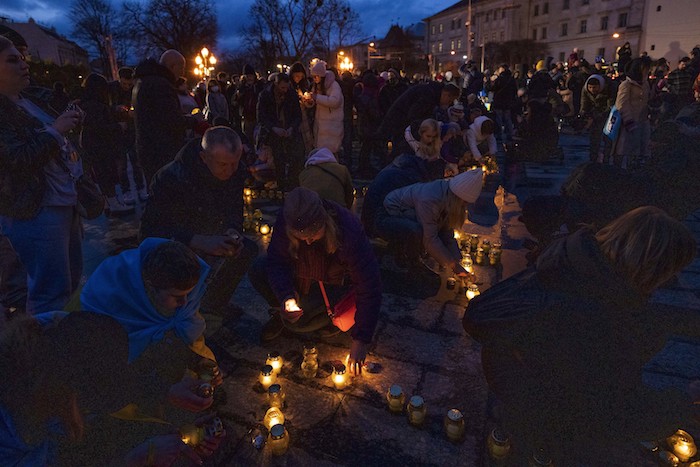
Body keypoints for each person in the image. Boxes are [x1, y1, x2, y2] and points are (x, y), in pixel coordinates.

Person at [465, 206, 700, 463]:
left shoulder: (568, 257)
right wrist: (684, 402)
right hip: (532, 394)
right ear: (654, 269)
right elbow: (618, 413)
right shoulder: (603, 319)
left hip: (504, 363)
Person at [249, 187, 382, 375]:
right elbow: (277, 262)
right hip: (302, 278)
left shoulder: (348, 230)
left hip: (333, 285)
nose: (308, 242)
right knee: (258, 268)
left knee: (298, 325)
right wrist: (286, 297)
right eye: (301, 238)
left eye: (312, 236)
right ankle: (284, 314)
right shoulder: (286, 219)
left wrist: (361, 340)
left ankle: (326, 320)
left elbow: (369, 285)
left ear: (325, 223)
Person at [81, 239, 220, 415]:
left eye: (188, 294)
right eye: (176, 296)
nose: (184, 303)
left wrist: (199, 361)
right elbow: (107, 378)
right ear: (148, 286)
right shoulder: (116, 309)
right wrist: (164, 392)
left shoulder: (180, 300)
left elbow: (180, 336)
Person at [0, 36, 85, 314]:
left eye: (22, 58)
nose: (23, 65)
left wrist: (70, 121)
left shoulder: (30, 100)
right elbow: (16, 159)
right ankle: (49, 351)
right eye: (12, 60)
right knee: (50, 292)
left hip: (63, 202)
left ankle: (67, 341)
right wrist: (55, 130)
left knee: (70, 282)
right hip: (36, 210)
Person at [140, 126, 256, 314]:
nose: (231, 171)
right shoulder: (172, 178)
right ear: (204, 157)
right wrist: (198, 241)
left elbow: (234, 208)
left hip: (212, 235)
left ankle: (212, 306)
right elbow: (152, 231)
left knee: (246, 250)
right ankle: (182, 309)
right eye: (223, 165)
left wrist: (233, 231)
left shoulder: (235, 172)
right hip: (175, 246)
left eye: (234, 163)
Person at [381, 169, 483, 274]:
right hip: (394, 210)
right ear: (459, 198)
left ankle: (420, 255)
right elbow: (430, 238)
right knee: (420, 230)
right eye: (465, 203)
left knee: (436, 227)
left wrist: (457, 259)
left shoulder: (448, 195)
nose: (465, 207)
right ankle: (404, 260)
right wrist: (453, 266)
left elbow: (447, 232)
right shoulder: (430, 199)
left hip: (413, 211)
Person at [133, 49, 195, 185]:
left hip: (149, 148)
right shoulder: (160, 85)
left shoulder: (144, 82)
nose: (183, 73)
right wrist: (194, 120)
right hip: (162, 150)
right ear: (172, 66)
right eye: (181, 68)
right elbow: (170, 120)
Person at [79, 73, 130, 214]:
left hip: (92, 144)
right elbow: (100, 127)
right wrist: (118, 127)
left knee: (101, 173)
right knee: (105, 172)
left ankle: (109, 202)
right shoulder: (96, 106)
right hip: (101, 145)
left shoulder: (86, 104)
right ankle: (113, 201)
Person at [378, 81, 461, 157]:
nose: (448, 104)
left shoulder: (430, 92)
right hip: (397, 124)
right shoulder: (428, 96)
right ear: (446, 94)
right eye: (450, 101)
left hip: (398, 122)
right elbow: (414, 116)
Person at [256, 72, 304, 191]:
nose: (285, 90)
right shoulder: (266, 95)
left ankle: (293, 185)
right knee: (278, 160)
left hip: (289, 131)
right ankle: (281, 185)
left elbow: (297, 115)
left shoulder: (291, 94)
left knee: (295, 158)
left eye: (287, 87)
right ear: (276, 84)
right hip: (274, 132)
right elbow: (261, 116)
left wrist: (292, 127)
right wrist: (273, 128)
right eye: (282, 88)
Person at [108, 66, 147, 205]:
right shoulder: (111, 90)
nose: (126, 86)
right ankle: (126, 190)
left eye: (129, 84)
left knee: (136, 162)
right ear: (119, 80)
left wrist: (133, 113)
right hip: (118, 132)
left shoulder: (135, 90)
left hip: (131, 130)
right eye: (124, 83)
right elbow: (106, 109)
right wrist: (116, 109)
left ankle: (141, 188)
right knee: (122, 164)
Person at [615, 57, 651, 168]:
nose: (647, 71)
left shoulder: (645, 83)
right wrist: (629, 121)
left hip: (643, 121)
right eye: (645, 68)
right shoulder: (626, 84)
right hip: (629, 123)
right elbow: (621, 104)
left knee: (641, 149)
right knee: (626, 150)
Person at [307, 60, 344, 155]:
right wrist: (309, 101)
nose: (314, 79)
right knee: (321, 151)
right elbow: (315, 102)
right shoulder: (317, 86)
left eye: (316, 76)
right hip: (321, 124)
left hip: (331, 125)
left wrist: (317, 97)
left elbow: (335, 101)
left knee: (330, 152)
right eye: (313, 77)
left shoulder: (333, 85)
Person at [353, 71, 383, 177]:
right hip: (369, 126)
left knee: (365, 147)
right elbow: (373, 112)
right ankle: (364, 167)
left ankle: (364, 166)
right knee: (366, 147)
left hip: (364, 126)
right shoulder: (370, 96)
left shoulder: (362, 95)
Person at [579, 74, 613, 162]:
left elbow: (610, 106)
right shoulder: (585, 90)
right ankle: (593, 158)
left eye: (594, 87)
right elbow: (584, 103)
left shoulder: (609, 87)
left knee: (608, 138)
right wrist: (583, 114)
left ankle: (606, 158)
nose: (592, 90)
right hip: (594, 113)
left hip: (607, 114)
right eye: (590, 87)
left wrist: (602, 114)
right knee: (594, 137)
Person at [289, 61, 315, 155]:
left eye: (301, 77)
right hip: (293, 118)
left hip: (304, 117)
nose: (298, 79)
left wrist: (309, 102)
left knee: (307, 141)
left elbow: (308, 105)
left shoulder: (302, 86)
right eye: (296, 76)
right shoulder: (289, 87)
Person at [235, 64, 264, 144]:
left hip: (257, 116)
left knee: (258, 137)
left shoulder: (259, 86)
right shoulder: (242, 87)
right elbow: (236, 101)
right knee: (248, 137)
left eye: (251, 76)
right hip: (247, 116)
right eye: (247, 76)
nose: (249, 78)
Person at [489, 64, 518, 142]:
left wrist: (490, 82)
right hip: (508, 102)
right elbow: (515, 90)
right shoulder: (511, 79)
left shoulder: (499, 79)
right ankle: (509, 134)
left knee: (499, 119)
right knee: (508, 119)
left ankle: (499, 135)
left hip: (499, 102)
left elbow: (492, 88)